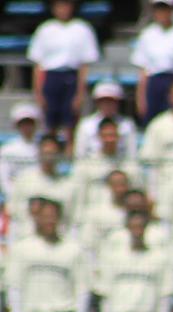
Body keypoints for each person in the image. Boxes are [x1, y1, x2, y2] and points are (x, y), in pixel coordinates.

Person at [27, 0, 99, 137]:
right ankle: (51, 144)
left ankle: (69, 147)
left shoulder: (82, 28)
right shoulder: (45, 29)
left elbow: (84, 65)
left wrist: (80, 93)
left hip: (71, 75)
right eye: (59, 6)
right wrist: (38, 92)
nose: (63, 9)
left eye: (66, 5)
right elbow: (37, 64)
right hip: (51, 76)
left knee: (70, 121)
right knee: (50, 120)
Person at [131, 0, 173, 126]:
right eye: (158, 9)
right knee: (152, 122)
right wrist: (140, 98)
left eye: (165, 9)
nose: (162, 13)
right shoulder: (147, 34)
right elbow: (142, 70)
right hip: (153, 82)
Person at [69, 117, 143, 223]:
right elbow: (79, 195)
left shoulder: (130, 165)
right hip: (93, 216)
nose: (109, 139)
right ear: (99, 137)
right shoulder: (87, 164)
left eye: (113, 135)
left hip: (122, 217)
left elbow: (137, 195)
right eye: (106, 135)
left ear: (118, 137)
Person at [7, 135, 75, 243]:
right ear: (39, 153)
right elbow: (13, 211)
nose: (48, 157)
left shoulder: (67, 185)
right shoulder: (24, 179)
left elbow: (69, 218)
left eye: (52, 153)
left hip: (56, 240)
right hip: (27, 237)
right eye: (45, 153)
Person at [72, 81, 138, 160]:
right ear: (97, 102)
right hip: (92, 164)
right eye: (103, 101)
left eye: (111, 101)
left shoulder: (127, 125)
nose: (107, 104)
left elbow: (132, 154)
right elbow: (80, 155)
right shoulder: (86, 125)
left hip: (120, 164)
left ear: (118, 103)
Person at [0, 103, 41, 202]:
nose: (26, 127)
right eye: (23, 124)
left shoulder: (42, 148)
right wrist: (14, 197)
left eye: (30, 123)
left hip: (39, 195)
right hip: (16, 196)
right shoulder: (8, 150)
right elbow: (4, 178)